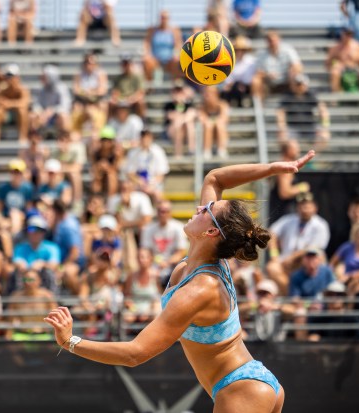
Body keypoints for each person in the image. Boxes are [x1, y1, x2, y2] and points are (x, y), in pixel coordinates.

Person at [45, 151, 319, 411]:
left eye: (207, 209)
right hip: (250, 384)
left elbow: (135, 353)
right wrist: (272, 169)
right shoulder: (203, 263)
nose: (200, 206)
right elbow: (216, 178)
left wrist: (70, 341)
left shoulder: (200, 289)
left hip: (243, 388)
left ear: (211, 231)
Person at [266, 192, 331, 295]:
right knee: (272, 267)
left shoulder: (321, 225)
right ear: (297, 207)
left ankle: (304, 296)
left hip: (307, 260)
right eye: (302, 205)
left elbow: (313, 248)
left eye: (308, 205)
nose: (305, 208)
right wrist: (274, 255)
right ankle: (292, 296)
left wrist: (292, 258)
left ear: (315, 207)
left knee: (315, 261)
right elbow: (271, 234)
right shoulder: (288, 219)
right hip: (285, 261)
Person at [140, 200, 189, 286]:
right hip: (152, 266)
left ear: (170, 212)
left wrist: (167, 263)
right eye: (160, 211)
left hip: (172, 267)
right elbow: (145, 251)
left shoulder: (178, 228)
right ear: (157, 212)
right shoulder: (148, 229)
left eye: (165, 211)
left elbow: (180, 252)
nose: (163, 214)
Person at [276, 74, 330, 147]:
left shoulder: (310, 96)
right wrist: (282, 128)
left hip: (310, 127)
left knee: (324, 136)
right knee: (283, 138)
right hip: (292, 128)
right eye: (297, 84)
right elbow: (280, 112)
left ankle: (312, 156)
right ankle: (293, 156)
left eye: (300, 84)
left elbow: (323, 110)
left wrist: (325, 126)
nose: (299, 87)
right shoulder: (287, 97)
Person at [267, 139, 310, 226]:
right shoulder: (285, 168)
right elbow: (284, 193)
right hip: (282, 216)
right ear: (288, 150)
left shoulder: (286, 166)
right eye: (296, 148)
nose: (299, 150)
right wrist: (301, 187)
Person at [251, 31, 302, 98]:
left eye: (273, 40)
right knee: (255, 80)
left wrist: (291, 72)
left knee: (296, 76)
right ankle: (258, 106)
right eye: (270, 40)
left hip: (287, 80)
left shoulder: (288, 50)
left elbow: (298, 66)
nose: (272, 43)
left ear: (279, 39)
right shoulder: (261, 54)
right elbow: (258, 72)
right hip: (268, 83)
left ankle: (294, 102)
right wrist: (268, 75)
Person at [329, 221, 359, 289]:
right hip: (343, 279)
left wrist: (350, 276)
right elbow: (333, 263)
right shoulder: (346, 247)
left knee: (356, 286)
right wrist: (335, 274)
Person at [124, 129, 169, 202]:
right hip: (137, 184)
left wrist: (151, 184)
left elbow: (161, 174)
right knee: (126, 193)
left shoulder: (158, 151)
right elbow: (130, 173)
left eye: (147, 137)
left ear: (151, 138)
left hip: (154, 184)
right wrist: (139, 181)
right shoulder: (133, 153)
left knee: (158, 195)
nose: (145, 140)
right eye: (143, 137)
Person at [326, 26, 359, 93]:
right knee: (334, 73)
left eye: (350, 34)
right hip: (341, 69)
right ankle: (336, 97)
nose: (349, 36)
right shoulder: (335, 48)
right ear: (342, 34)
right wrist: (335, 65)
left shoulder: (357, 46)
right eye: (347, 34)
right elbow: (328, 64)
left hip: (354, 68)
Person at [141, 10, 183, 82]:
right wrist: (146, 54)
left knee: (177, 60)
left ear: (169, 18)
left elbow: (178, 44)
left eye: (165, 18)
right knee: (146, 60)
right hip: (155, 59)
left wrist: (175, 54)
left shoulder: (174, 30)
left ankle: (176, 85)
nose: (164, 20)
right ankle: (150, 86)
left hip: (170, 59)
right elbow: (146, 44)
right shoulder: (152, 30)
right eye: (162, 17)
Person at [220, 35, 257, 107]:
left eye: (242, 50)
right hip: (233, 87)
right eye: (237, 49)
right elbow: (229, 79)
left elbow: (249, 78)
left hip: (247, 88)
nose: (239, 52)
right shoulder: (230, 61)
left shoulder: (251, 61)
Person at [164, 81, 197, 157]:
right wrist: (179, 104)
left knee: (188, 124)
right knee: (178, 124)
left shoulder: (189, 104)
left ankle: (191, 149)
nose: (178, 93)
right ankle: (179, 154)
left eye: (180, 91)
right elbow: (171, 117)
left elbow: (192, 115)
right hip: (172, 131)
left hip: (185, 130)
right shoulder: (169, 105)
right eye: (176, 91)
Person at [199, 86, 230, 160]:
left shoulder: (223, 105)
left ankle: (221, 150)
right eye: (206, 93)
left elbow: (224, 119)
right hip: (207, 131)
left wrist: (214, 122)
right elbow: (202, 119)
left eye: (210, 93)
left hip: (219, 131)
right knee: (208, 125)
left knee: (219, 125)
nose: (207, 95)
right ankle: (207, 151)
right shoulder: (202, 107)